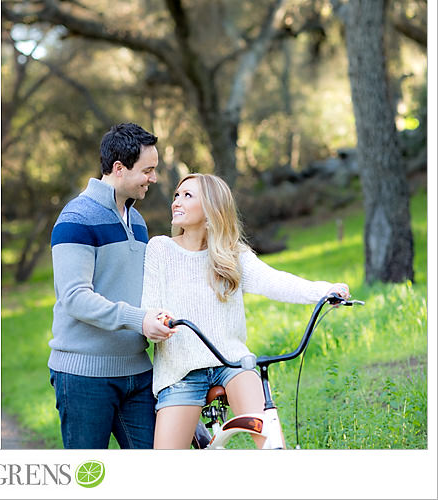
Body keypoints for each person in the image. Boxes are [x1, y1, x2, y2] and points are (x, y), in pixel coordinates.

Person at [142, 173, 350, 449]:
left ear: (211, 208)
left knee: (270, 441)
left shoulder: (231, 254)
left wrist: (324, 291)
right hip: (181, 370)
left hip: (232, 363)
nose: (176, 202)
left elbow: (274, 281)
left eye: (187, 196)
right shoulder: (160, 248)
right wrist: (157, 323)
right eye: (177, 195)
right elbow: (150, 307)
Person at [47, 122, 174, 449]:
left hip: (138, 372)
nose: (154, 178)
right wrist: (138, 319)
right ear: (119, 169)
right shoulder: (77, 217)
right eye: (148, 170)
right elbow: (75, 298)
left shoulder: (138, 221)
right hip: (84, 376)